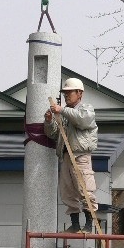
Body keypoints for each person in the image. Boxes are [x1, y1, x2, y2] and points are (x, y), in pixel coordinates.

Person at [44, 78, 98, 233]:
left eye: (70, 92)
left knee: (85, 189)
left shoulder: (86, 109)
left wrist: (61, 110)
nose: (67, 95)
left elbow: (82, 120)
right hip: (66, 155)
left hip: (80, 156)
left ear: (79, 93)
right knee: (68, 191)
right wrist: (49, 121)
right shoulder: (64, 113)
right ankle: (75, 225)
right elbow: (54, 134)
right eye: (65, 93)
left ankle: (89, 225)